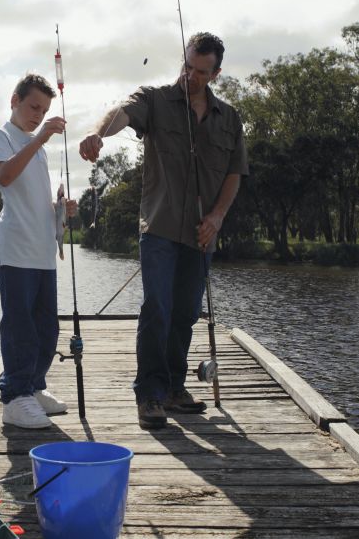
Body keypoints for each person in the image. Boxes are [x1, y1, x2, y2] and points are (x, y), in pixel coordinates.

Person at [78, 32, 248, 430]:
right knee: (158, 308)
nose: (191, 75)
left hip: (202, 234)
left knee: (185, 313)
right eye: (188, 65)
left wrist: (218, 217)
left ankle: (174, 387)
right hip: (159, 228)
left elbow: (234, 174)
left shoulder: (230, 119)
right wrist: (98, 134)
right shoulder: (154, 98)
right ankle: (150, 394)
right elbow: (122, 111)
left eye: (201, 71)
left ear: (216, 73)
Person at [0, 73, 78, 429]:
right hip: (14, 251)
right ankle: (14, 398)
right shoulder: (1, 137)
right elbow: (5, 177)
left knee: (46, 329)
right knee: (19, 327)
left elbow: (36, 199)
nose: (38, 115)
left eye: (44, 110)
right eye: (33, 106)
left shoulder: (37, 149)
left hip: (42, 254)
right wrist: (40, 138)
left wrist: (61, 208)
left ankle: (33, 388)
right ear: (15, 100)